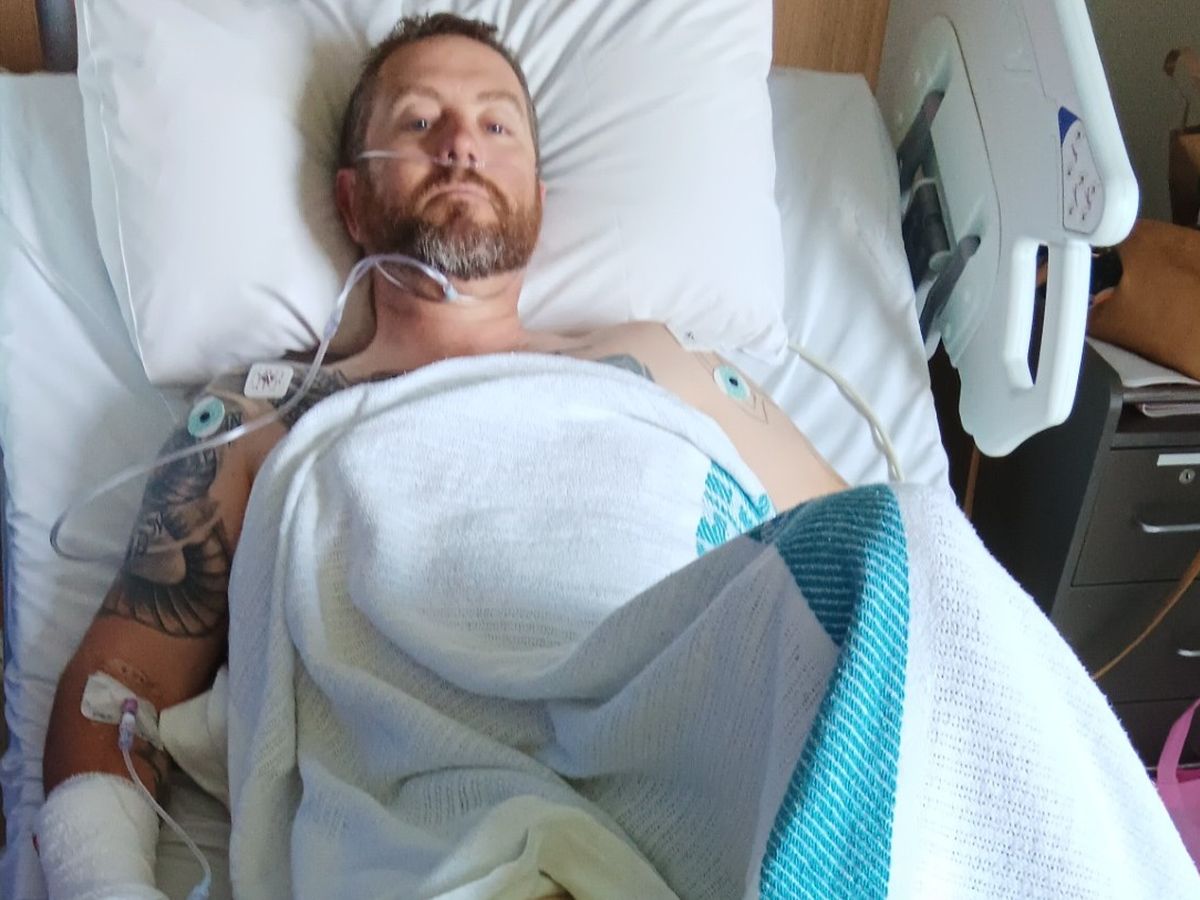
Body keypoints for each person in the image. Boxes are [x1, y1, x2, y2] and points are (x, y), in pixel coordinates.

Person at [38, 12, 844, 894]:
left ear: (538, 195)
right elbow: (121, 680)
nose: (461, 143)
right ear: (351, 200)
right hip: (430, 832)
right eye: (420, 121)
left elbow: (863, 562)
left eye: (498, 125)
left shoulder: (667, 366)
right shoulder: (260, 417)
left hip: (708, 783)